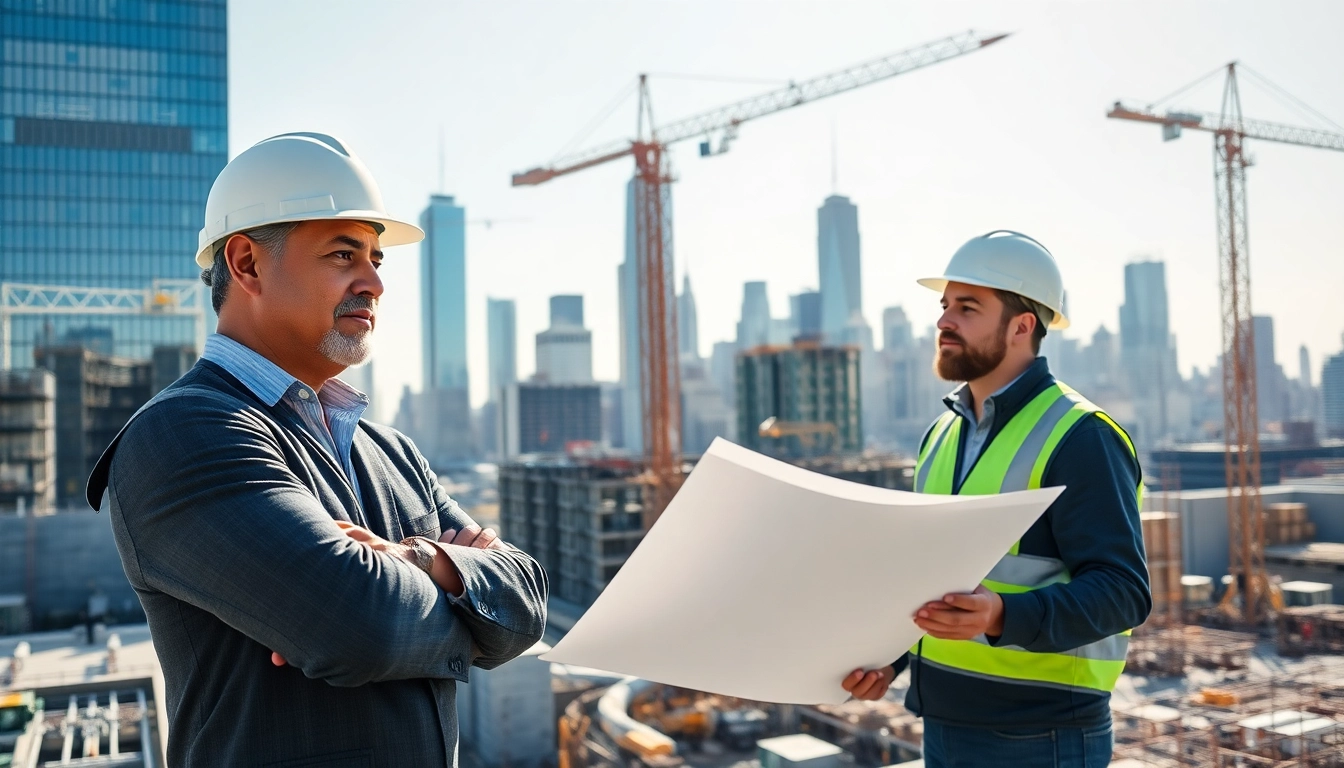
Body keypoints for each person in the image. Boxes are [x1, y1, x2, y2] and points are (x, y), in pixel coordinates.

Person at [86, 133, 548, 766]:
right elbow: (363, 626)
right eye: (342, 254)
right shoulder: (185, 433)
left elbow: (525, 605)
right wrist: (459, 596)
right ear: (246, 263)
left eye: (377, 260)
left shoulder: (392, 451)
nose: (374, 284)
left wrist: (419, 561)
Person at [841, 231, 1150, 767]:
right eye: (944, 306)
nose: (943, 321)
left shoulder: (1082, 436)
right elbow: (931, 580)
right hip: (942, 723)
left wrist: (1001, 614)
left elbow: (1123, 592)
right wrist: (889, 661)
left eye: (967, 307)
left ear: (1021, 326)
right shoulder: (940, 436)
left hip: (1042, 736)